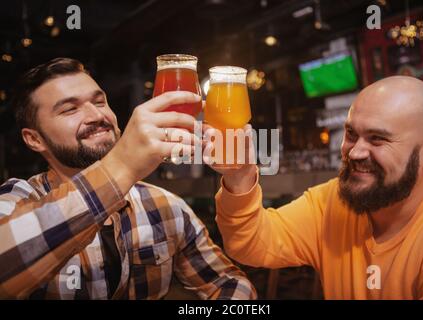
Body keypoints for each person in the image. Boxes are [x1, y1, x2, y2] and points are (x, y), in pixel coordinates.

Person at [0, 57, 256, 300]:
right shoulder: (19, 199)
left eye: (99, 102)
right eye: (69, 109)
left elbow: (229, 282)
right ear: (34, 139)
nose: (97, 116)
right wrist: (122, 165)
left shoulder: (165, 205)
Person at [208, 76, 423, 299]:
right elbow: (250, 244)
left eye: (377, 138)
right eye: (351, 134)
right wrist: (240, 177)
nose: (355, 152)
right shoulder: (330, 201)